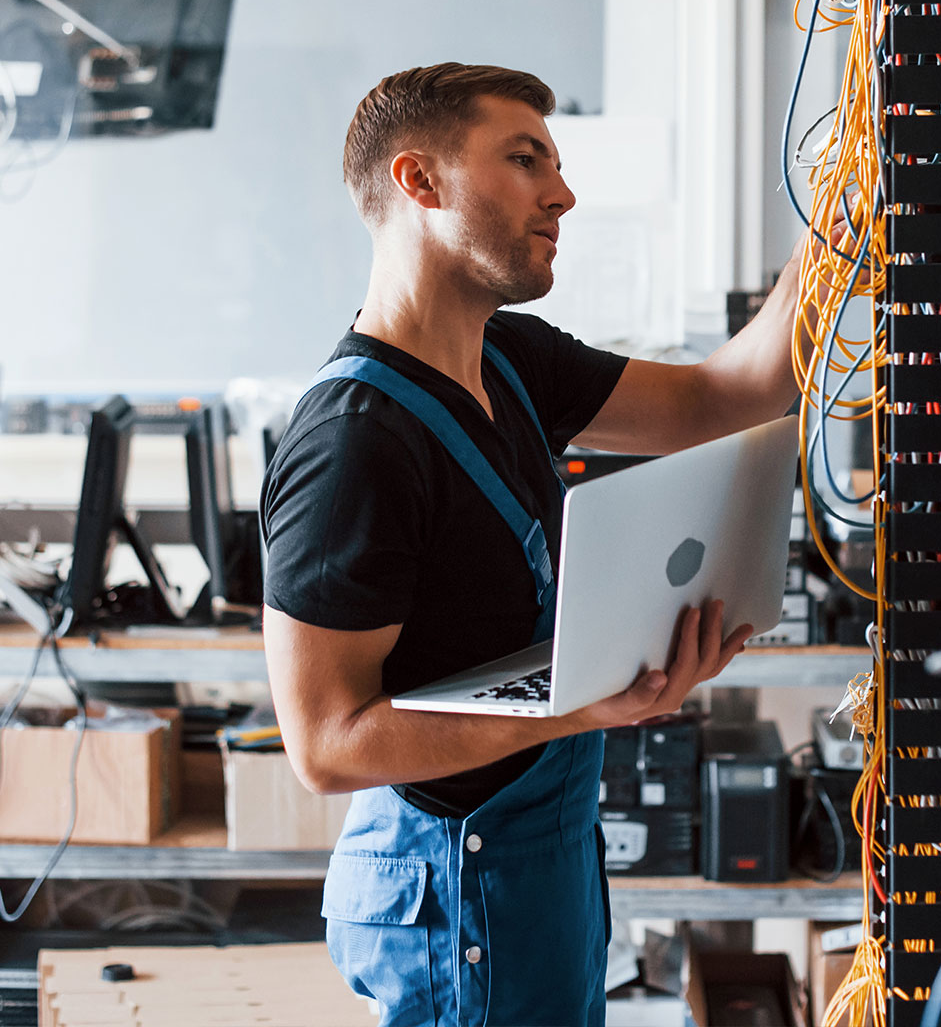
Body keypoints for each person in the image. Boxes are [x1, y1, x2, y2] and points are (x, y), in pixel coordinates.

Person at [259, 63, 812, 1026]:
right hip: (452, 872)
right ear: (419, 183)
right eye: (524, 160)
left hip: (537, 848)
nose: (562, 193)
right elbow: (326, 745)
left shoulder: (511, 359)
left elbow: (727, 397)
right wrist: (585, 710)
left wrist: (837, 232)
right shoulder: (354, 441)